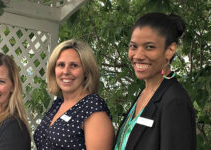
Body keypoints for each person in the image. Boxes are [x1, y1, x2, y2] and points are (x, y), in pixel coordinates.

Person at [114, 12, 196, 150]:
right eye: (133, 46)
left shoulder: (175, 102)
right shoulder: (146, 92)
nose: (138, 55)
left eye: (149, 47)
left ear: (170, 50)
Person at [34, 39, 115, 150]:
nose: (66, 71)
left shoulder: (93, 107)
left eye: (74, 65)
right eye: (61, 65)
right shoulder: (58, 104)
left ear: (86, 71)